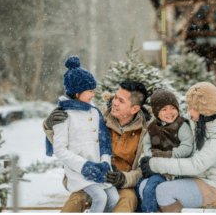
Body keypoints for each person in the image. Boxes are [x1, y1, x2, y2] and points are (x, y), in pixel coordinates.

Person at [43, 79, 150, 212]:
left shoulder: (145, 132)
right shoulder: (96, 115)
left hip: (122, 184)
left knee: (127, 199)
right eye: (116, 97)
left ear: (134, 109)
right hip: (90, 177)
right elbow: (67, 142)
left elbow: (142, 170)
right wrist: (50, 124)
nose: (114, 102)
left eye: (121, 101)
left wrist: (123, 178)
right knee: (78, 199)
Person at [140, 82, 216, 212]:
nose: (188, 110)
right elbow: (165, 139)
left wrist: (155, 164)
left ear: (204, 112)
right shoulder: (193, 122)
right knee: (145, 186)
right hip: (183, 177)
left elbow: (196, 165)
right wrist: (148, 157)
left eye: (191, 107)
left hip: (208, 185)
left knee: (163, 191)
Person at [49, 56, 119, 212]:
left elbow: (104, 142)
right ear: (76, 92)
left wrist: (105, 163)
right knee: (100, 197)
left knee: (113, 198)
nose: (93, 95)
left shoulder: (94, 112)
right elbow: (59, 149)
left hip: (100, 169)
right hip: (79, 172)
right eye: (90, 91)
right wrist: (85, 167)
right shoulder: (63, 115)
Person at [136, 89, 193, 212]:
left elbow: (187, 146)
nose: (170, 112)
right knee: (139, 187)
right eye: (164, 109)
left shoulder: (181, 125)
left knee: (150, 188)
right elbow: (146, 143)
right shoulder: (152, 126)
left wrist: (171, 155)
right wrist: (150, 156)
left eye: (173, 108)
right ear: (157, 112)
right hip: (154, 166)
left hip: (172, 168)